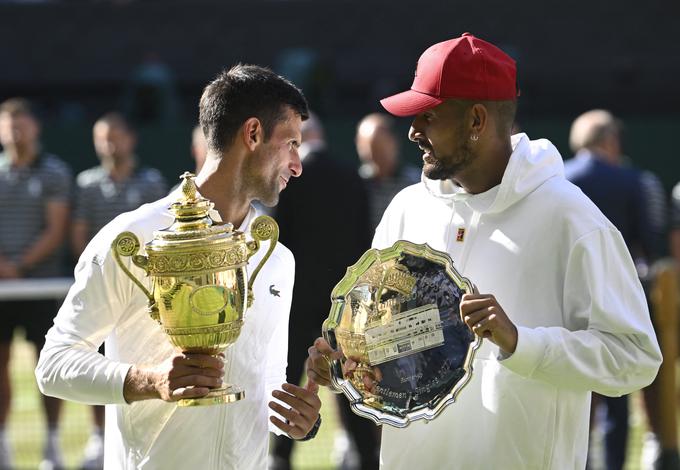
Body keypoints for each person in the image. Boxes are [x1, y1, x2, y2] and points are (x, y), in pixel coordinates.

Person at [306, 33, 662, 469]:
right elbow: (388, 341)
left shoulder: (572, 219)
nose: (413, 132)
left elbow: (635, 357)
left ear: (476, 120)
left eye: (428, 116)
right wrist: (346, 359)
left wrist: (522, 343)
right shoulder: (407, 209)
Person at [35, 64, 322, 469]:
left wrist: (296, 419)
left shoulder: (276, 257)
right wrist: (149, 381)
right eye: (291, 143)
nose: (298, 164)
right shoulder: (132, 239)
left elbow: (266, 380)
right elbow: (54, 365)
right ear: (253, 133)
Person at [271, 113, 374, 470]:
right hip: (345, 303)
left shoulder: (289, 180)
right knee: (351, 382)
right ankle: (365, 458)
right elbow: (365, 243)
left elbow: (279, 241)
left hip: (296, 301)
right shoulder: (351, 176)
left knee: (287, 383)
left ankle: (278, 458)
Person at [564, 109, 661, 470]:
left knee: (573, 390)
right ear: (611, 140)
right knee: (617, 392)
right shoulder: (635, 180)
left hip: (566, 301)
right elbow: (648, 245)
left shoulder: (556, 180)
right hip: (619, 298)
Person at [71, 112, 168, 469]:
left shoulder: (151, 182)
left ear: (131, 139)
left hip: (145, 292)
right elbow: (80, 234)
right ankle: (99, 437)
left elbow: (161, 235)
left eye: (114, 137)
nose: (108, 145)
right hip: (103, 292)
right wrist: (100, 275)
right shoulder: (87, 184)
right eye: (101, 138)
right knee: (95, 363)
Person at [0, 98, 73, 470]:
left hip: (42, 286)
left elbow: (56, 229)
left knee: (49, 369)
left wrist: (18, 265)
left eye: (21, 123)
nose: (15, 130)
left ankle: (52, 449)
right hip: (1, 290)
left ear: (35, 127)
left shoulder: (54, 172)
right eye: (8, 123)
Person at [355, 113, 420, 230]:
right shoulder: (355, 183)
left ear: (393, 143)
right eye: (368, 148)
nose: (372, 155)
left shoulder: (417, 183)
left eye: (379, 148)